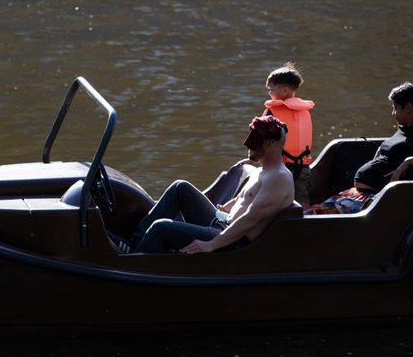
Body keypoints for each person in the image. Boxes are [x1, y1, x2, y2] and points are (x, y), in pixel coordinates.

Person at [130, 115, 296, 253]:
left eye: (254, 141)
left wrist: (211, 244)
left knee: (161, 228)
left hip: (233, 241)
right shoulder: (263, 170)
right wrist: (228, 207)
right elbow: (245, 200)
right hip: (223, 224)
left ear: (269, 144)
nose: (248, 145)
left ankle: (133, 263)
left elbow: (251, 219)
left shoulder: (279, 178)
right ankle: (132, 244)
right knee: (180, 188)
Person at [261, 63, 315, 207]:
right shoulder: (304, 111)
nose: (270, 93)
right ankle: (307, 222)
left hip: (281, 168)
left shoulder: (272, 112)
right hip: (303, 167)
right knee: (303, 200)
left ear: (284, 90)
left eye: (271, 89)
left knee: (276, 201)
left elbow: (260, 139)